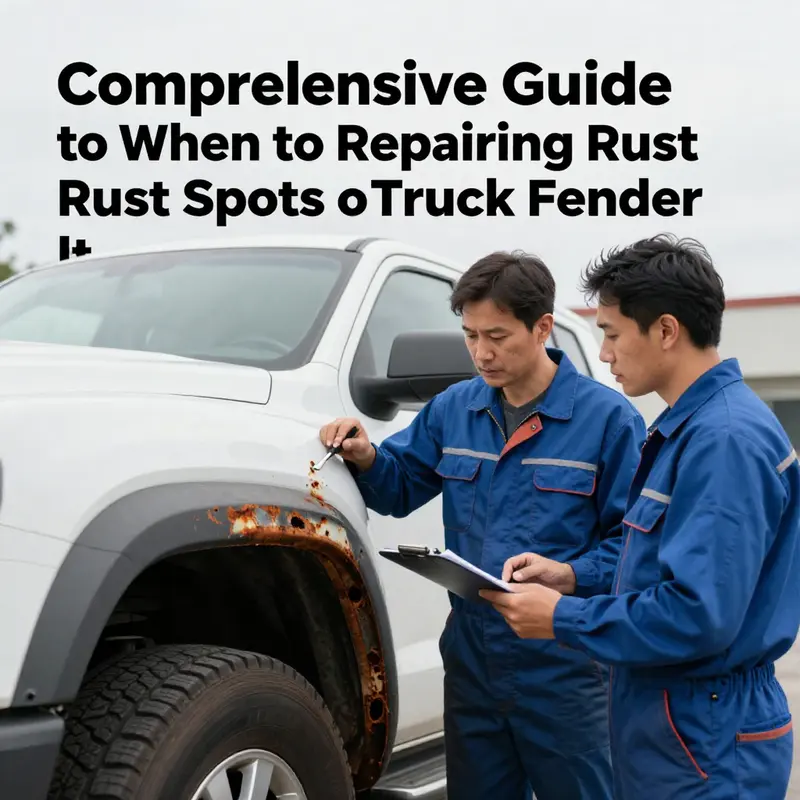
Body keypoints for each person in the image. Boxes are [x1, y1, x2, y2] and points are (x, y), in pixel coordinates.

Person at [481, 234, 800, 799]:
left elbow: (698, 615)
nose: (603, 353)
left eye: (611, 333)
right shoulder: (690, 428)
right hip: (673, 723)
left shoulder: (723, 440)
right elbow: (660, 567)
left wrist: (563, 618)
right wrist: (571, 577)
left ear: (666, 330)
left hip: (706, 733)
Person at [320, 251, 646, 800]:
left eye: (497, 336)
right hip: (473, 660)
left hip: (566, 665)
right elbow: (398, 485)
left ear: (542, 327)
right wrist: (366, 456)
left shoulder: (609, 421)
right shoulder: (455, 409)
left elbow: (637, 548)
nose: (481, 353)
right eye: (470, 335)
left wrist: (569, 574)